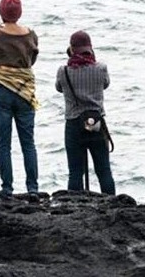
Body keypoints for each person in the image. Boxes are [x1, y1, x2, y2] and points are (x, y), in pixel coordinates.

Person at [0, 0, 40, 202]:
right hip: (25, 90)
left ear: (1, 12)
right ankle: (33, 188)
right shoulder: (31, 34)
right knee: (28, 142)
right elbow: (31, 61)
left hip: (1, 91)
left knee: (3, 142)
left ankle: (7, 188)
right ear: (20, 13)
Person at [55, 30, 115, 195]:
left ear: (72, 49)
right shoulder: (101, 69)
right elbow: (106, 84)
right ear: (90, 48)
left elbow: (58, 88)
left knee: (75, 172)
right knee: (104, 170)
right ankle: (112, 205)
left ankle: (74, 207)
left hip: (74, 123)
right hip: (96, 123)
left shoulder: (63, 71)